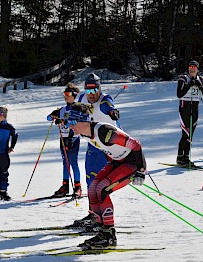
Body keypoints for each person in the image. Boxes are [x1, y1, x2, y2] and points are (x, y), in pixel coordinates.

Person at [64, 107, 146, 248]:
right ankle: (101, 230)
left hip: (132, 163)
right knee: (92, 189)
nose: (69, 126)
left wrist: (141, 170)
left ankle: (109, 236)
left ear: (83, 121)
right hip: (117, 162)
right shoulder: (85, 132)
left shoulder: (105, 132)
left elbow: (136, 145)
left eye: (72, 122)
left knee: (102, 189)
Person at [72, 73, 120, 228]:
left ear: (100, 89)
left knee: (98, 181)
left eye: (94, 91)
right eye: (88, 91)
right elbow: (76, 112)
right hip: (93, 143)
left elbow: (109, 107)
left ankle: (99, 216)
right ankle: (93, 213)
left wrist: (112, 112)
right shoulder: (82, 99)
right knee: (89, 179)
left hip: (107, 146)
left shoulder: (105, 99)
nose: (91, 95)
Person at [47, 83, 82, 197]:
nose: (65, 96)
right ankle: (65, 186)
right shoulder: (61, 109)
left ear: (74, 95)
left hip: (73, 138)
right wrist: (53, 116)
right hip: (63, 138)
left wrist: (63, 121)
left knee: (73, 162)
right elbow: (48, 117)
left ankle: (77, 187)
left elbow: (75, 122)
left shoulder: (78, 108)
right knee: (65, 163)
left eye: (67, 94)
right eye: (64, 94)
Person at [176, 60, 203, 167]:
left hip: (194, 109)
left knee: (191, 135)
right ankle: (180, 157)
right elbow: (179, 94)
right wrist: (189, 85)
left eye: (194, 67)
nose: (192, 68)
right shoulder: (183, 79)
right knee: (185, 133)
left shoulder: (200, 79)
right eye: (190, 67)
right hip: (185, 108)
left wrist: (199, 85)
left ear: (197, 69)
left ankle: (186, 157)